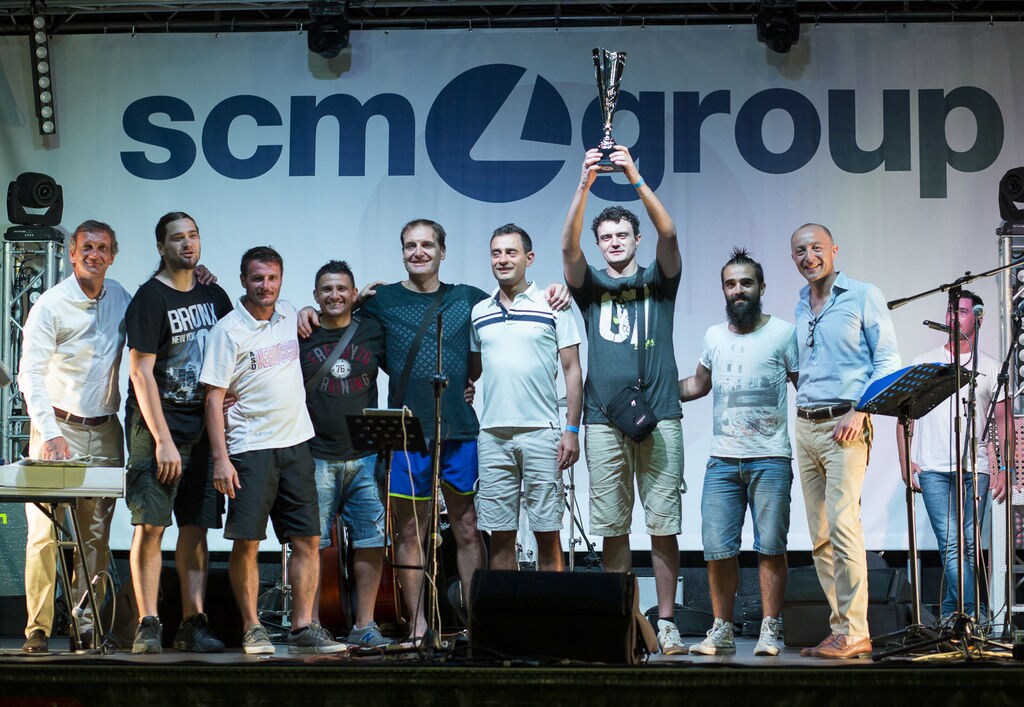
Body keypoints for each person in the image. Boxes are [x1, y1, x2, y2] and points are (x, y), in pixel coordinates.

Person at [561, 146, 685, 655]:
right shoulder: (590, 287)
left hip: (660, 415)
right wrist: (584, 185)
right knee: (613, 526)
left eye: (622, 235)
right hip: (601, 420)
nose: (614, 242)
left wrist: (634, 173)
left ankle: (667, 622)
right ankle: (621, 619)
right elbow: (568, 249)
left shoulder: (658, 281)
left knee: (663, 524)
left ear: (636, 240)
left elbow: (669, 234)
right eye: (606, 237)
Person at [200, 246, 345, 655]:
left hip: (296, 445)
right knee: (247, 542)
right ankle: (252, 628)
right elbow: (213, 399)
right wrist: (221, 459)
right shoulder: (228, 331)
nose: (266, 286)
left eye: (272, 278)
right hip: (251, 449)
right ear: (243, 281)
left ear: (281, 280)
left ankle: (303, 627)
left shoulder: (289, 314)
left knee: (308, 539)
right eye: (258, 278)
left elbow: (332, 311)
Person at [123, 212, 234, 654]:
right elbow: (140, 372)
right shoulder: (150, 298)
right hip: (157, 430)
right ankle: (148, 623)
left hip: (202, 430)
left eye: (193, 235)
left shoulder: (213, 293)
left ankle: (192, 622)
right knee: (150, 525)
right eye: (177, 238)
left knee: (195, 527)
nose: (187, 244)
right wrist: (163, 440)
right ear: (161, 247)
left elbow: (233, 349)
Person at [679, 248, 798, 656]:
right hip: (722, 461)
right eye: (730, 284)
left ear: (761, 287)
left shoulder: (784, 333)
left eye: (746, 283)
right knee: (718, 550)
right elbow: (698, 385)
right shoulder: (714, 336)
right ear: (724, 290)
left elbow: (805, 385)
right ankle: (722, 630)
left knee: (771, 547)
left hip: (771, 458)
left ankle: (770, 629)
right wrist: (658, 390)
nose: (738, 290)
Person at [18, 220, 130, 654]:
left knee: (94, 537)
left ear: (112, 256)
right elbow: (30, 374)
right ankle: (38, 629)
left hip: (104, 430)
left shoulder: (120, 297)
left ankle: (85, 626)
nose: (94, 255)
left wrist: (199, 276)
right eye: (87, 247)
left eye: (102, 248)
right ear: (71, 252)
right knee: (43, 534)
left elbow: (156, 314)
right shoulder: (51, 304)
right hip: (57, 427)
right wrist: (49, 432)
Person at [790, 223, 900, 659]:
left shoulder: (863, 295)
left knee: (843, 525)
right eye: (800, 251)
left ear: (834, 250)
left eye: (816, 248)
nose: (809, 257)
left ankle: (856, 631)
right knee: (819, 536)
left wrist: (862, 409)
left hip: (846, 424)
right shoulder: (801, 303)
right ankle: (840, 630)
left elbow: (887, 361)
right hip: (806, 425)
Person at [470, 223, 583, 572]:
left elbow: (573, 371)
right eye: (496, 253)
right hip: (493, 436)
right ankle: (508, 609)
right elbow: (474, 370)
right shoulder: (480, 311)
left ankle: (552, 607)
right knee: (501, 535)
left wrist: (571, 430)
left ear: (529, 258)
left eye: (511, 252)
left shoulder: (554, 304)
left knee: (547, 533)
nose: (502, 259)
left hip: (542, 433)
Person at [897, 290, 1008, 625]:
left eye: (961, 311)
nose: (953, 317)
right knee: (951, 545)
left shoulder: (991, 367)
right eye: (950, 310)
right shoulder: (925, 362)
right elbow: (905, 415)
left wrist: (1004, 467)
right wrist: (905, 461)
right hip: (933, 468)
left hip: (977, 468)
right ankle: (973, 612)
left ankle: (951, 611)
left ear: (978, 318)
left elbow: (1002, 421)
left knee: (969, 546)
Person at [299, 260, 393, 648]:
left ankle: (364, 625)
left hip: (366, 456)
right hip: (316, 454)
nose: (334, 295)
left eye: (342, 289)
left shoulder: (372, 329)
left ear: (354, 294)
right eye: (327, 289)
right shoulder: (300, 332)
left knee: (371, 540)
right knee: (312, 545)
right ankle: (310, 625)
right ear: (315, 296)